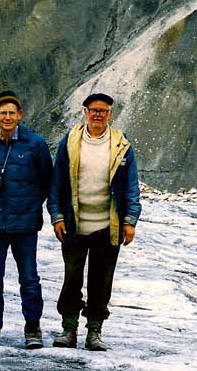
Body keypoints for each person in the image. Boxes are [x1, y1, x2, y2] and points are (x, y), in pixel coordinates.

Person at [47, 92, 141, 351]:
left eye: (103, 110)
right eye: (93, 110)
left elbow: (131, 185)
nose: (98, 114)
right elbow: (57, 183)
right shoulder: (70, 142)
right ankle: (68, 328)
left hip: (107, 225)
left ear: (110, 114)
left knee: (101, 281)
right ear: (85, 112)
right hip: (75, 224)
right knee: (72, 278)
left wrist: (130, 220)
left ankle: (94, 332)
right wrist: (57, 216)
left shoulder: (121, 145)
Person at [0, 90, 53, 349]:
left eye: (12, 113)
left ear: (20, 115)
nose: (7, 117)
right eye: (2, 112)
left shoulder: (35, 144)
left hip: (25, 224)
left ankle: (33, 329)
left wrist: (29, 205)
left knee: (28, 278)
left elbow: (46, 181)